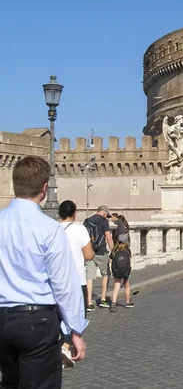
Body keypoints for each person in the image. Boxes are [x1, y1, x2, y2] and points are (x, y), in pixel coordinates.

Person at [0, 156, 88, 387]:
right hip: (36, 322)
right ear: (44, 189)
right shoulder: (50, 230)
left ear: (14, 185)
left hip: (1, 320)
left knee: (9, 383)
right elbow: (64, 285)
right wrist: (75, 330)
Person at [58, 200, 95, 367]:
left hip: (57, 280)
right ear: (74, 213)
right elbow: (88, 255)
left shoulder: (54, 228)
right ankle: (65, 347)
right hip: (77, 280)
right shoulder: (80, 229)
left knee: (59, 315)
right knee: (78, 316)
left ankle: (63, 346)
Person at [84, 205, 114, 311]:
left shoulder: (87, 220)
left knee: (89, 278)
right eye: (107, 215)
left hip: (89, 252)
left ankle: (89, 303)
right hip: (101, 252)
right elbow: (108, 238)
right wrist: (114, 252)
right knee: (106, 275)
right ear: (104, 212)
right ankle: (103, 300)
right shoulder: (103, 221)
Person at [109, 235, 135, 312]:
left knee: (116, 286)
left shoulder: (114, 250)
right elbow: (129, 259)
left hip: (116, 271)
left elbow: (110, 259)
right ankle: (127, 302)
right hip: (125, 271)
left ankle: (113, 303)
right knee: (126, 285)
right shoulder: (127, 250)